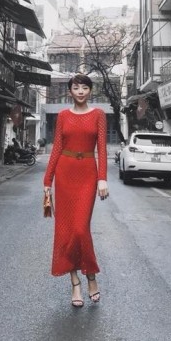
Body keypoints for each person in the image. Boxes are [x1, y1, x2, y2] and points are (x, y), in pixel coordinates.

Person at [43, 73, 108, 307]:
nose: (80, 91)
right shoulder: (63, 116)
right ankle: (75, 283)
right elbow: (56, 148)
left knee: (80, 229)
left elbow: (102, 149)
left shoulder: (98, 115)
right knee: (66, 231)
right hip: (64, 175)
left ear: (90, 91)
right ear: (70, 91)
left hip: (87, 175)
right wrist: (47, 181)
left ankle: (91, 276)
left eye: (85, 88)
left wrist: (102, 179)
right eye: (76, 88)